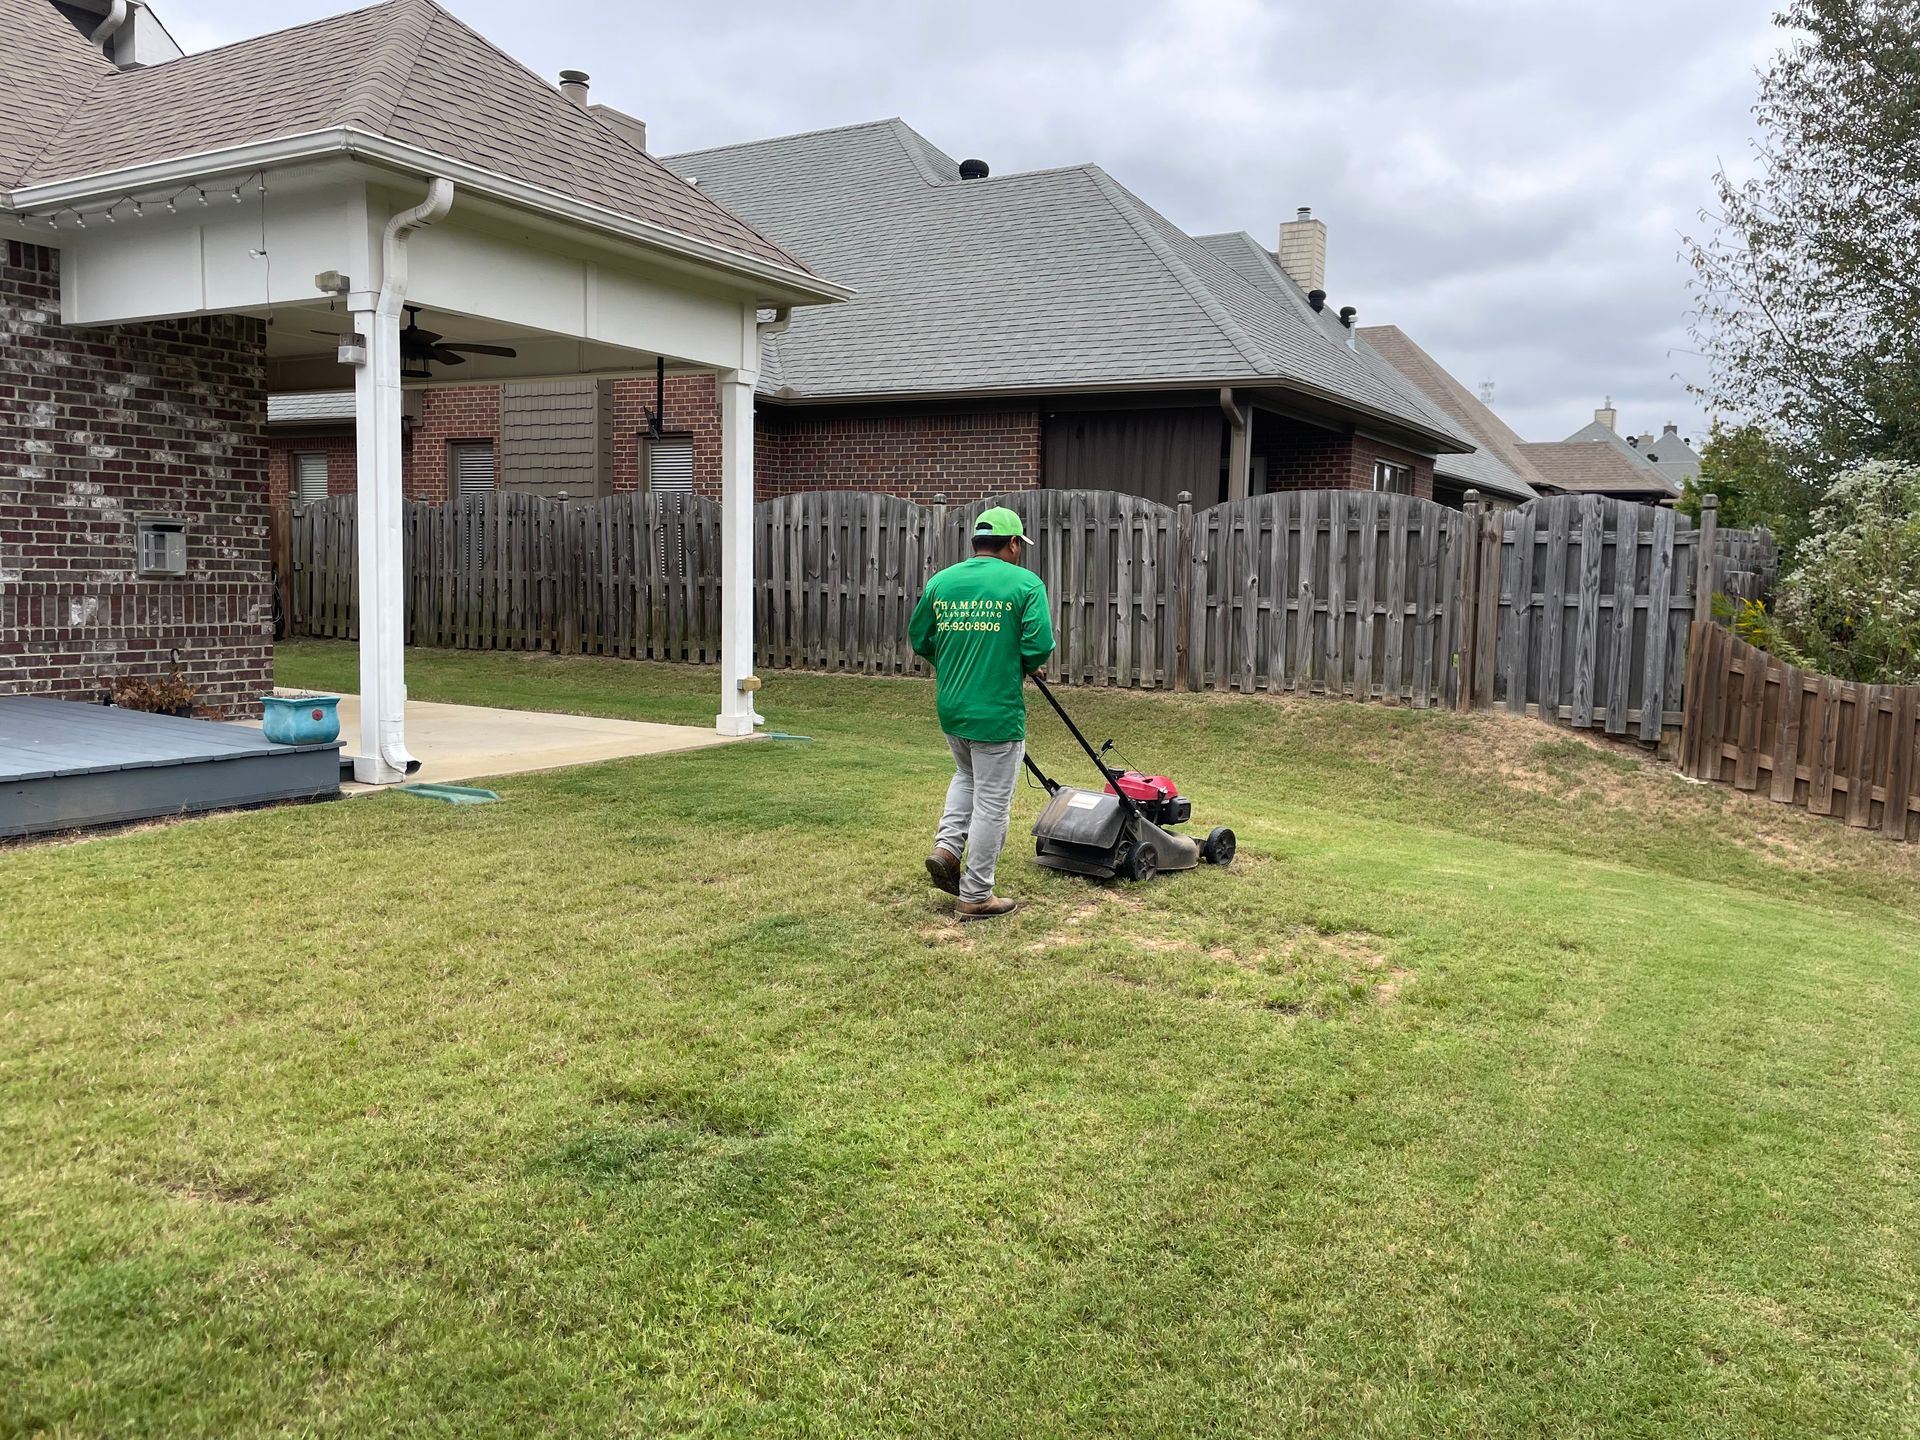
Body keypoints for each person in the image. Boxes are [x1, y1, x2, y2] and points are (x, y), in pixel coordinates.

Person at [908, 507, 1055, 921]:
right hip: (996, 710)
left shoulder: (942, 581)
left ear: (976, 543)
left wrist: (955, 659)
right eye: (1018, 546)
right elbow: (1039, 643)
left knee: (966, 776)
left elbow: (920, 638)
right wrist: (1024, 662)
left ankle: (947, 849)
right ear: (1012, 544)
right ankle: (975, 894)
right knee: (993, 802)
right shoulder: (1026, 584)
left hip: (953, 705)